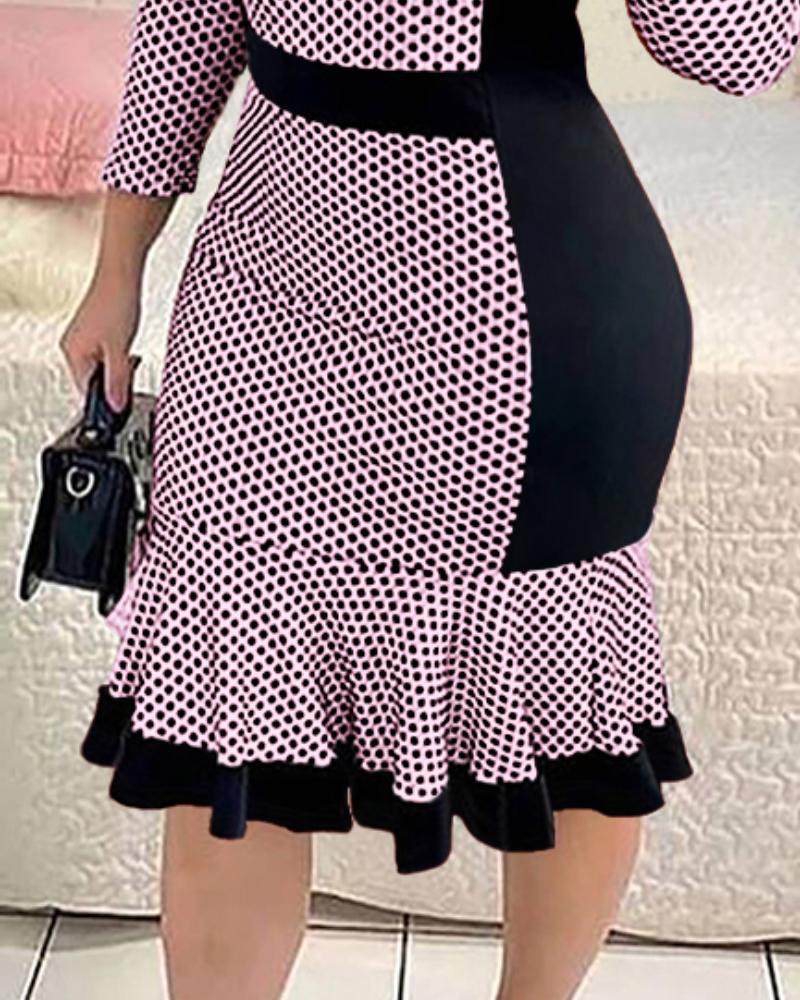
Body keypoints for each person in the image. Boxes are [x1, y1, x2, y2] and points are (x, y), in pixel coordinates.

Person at [62, 2, 799, 999]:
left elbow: (738, 52)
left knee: (571, 718)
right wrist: (116, 273)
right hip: (261, 299)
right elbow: (184, 30)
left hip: (525, 310)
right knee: (224, 718)